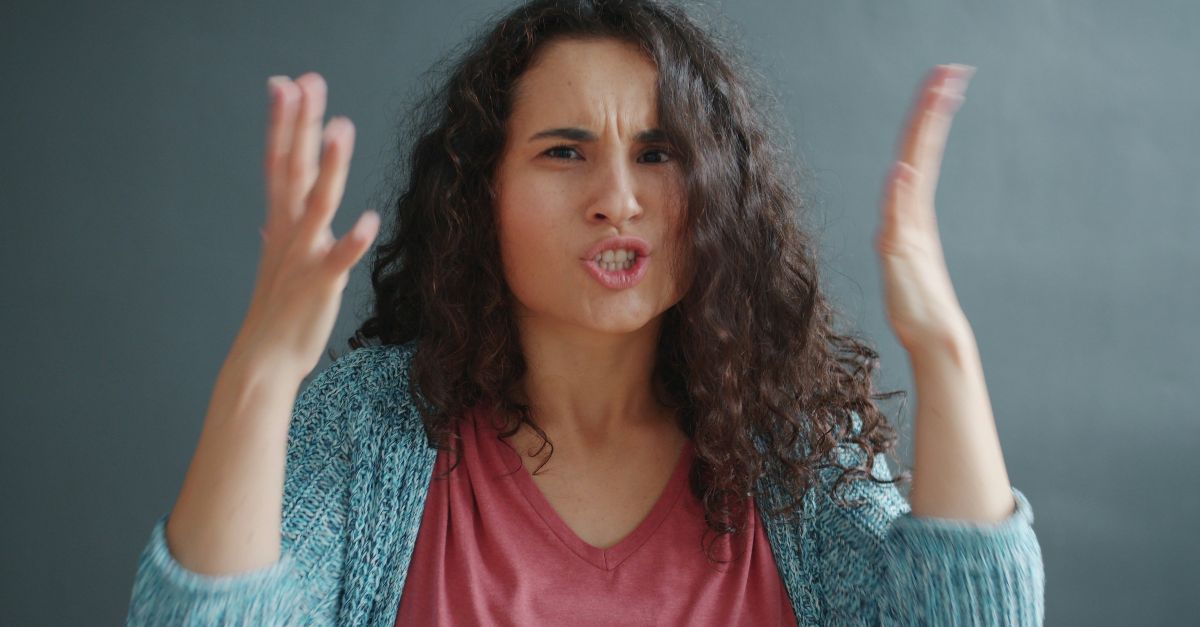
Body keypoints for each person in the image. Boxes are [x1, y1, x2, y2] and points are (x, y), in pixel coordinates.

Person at [125, 0, 1044, 625]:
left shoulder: (787, 443)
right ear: (480, 195)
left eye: (658, 153)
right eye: (565, 152)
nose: (618, 198)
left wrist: (943, 350)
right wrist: (263, 373)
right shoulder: (369, 427)